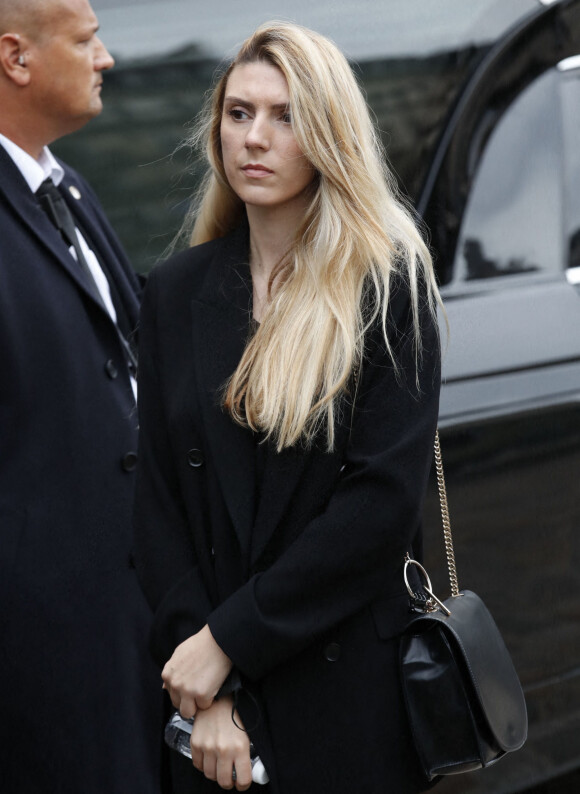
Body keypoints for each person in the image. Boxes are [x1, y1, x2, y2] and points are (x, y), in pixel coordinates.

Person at [133, 21, 442, 794]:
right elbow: (158, 503)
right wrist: (206, 684)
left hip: (343, 696)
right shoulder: (177, 291)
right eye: (238, 114)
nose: (254, 138)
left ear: (329, 132)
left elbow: (377, 510)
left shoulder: (387, 286)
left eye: (285, 115)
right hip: (208, 711)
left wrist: (230, 642)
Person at [0, 1, 161, 791]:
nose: (107, 59)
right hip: (39, 666)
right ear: (15, 58)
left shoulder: (65, 186)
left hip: (128, 635)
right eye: (87, 39)